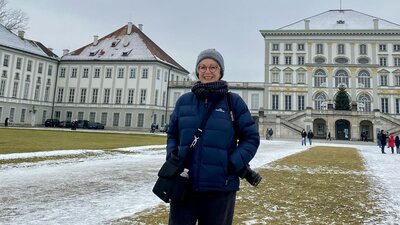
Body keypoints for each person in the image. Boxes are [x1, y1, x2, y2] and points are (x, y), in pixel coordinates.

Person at [166, 48, 260, 225]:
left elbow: (251, 138)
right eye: (202, 67)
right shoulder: (184, 101)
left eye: (212, 67)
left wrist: (233, 162)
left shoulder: (234, 102)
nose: (207, 72)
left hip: (220, 188)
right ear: (197, 70)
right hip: (184, 185)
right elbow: (172, 134)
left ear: (220, 71)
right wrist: (173, 156)